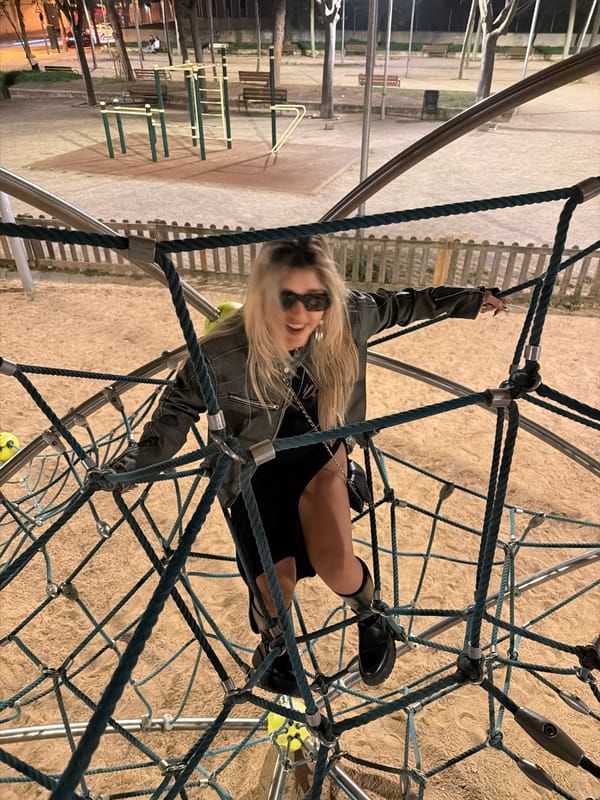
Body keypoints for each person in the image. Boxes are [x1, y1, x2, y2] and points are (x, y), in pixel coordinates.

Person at [112, 236, 506, 696]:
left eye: (314, 300)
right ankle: (274, 644)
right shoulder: (221, 352)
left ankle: (370, 614)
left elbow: (403, 304)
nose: (300, 315)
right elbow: (177, 408)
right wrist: (138, 462)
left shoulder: (346, 316)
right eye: (286, 298)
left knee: (337, 565)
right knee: (274, 587)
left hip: (319, 452)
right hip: (254, 469)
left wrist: (470, 299)